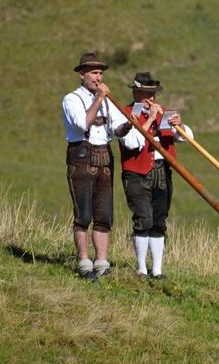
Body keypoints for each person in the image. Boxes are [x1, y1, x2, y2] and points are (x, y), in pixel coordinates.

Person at [62, 52, 132, 281]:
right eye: (93, 72)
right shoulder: (72, 99)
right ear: (82, 74)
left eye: (100, 73)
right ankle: (84, 262)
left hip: (105, 158)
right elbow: (83, 123)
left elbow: (116, 128)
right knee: (83, 214)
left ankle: (102, 262)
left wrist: (128, 125)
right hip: (81, 156)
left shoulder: (109, 100)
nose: (98, 77)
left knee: (104, 214)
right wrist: (100, 99)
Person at [118, 72, 193, 280]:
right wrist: (150, 118)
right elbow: (132, 142)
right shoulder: (125, 112)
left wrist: (179, 124)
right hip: (136, 173)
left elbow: (185, 137)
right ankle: (141, 269)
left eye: (152, 93)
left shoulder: (164, 114)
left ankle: (158, 270)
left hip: (162, 170)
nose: (150, 98)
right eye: (145, 93)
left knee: (159, 219)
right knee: (143, 218)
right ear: (135, 92)